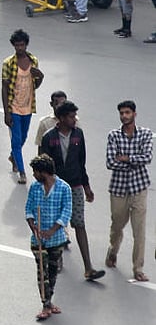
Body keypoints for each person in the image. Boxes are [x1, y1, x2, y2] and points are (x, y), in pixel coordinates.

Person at [39, 102, 105, 281]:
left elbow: (81, 162)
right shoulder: (49, 138)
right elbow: (41, 166)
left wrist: (87, 187)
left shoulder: (78, 134)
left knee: (79, 223)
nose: (74, 119)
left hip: (75, 185)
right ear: (60, 119)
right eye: (70, 116)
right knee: (57, 225)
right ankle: (56, 259)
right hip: (56, 187)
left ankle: (88, 267)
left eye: (74, 116)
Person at [106, 99, 153, 281]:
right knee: (117, 226)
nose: (124, 116)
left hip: (139, 188)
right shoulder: (114, 135)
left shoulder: (145, 134)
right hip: (118, 189)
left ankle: (138, 268)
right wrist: (134, 160)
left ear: (134, 114)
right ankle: (113, 250)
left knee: (139, 230)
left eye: (127, 112)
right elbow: (110, 162)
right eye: (122, 113)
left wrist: (126, 159)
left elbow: (147, 157)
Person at [25, 155, 72, 321]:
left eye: (35, 172)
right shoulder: (34, 188)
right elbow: (28, 210)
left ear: (43, 173)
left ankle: (49, 300)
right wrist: (34, 227)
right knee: (42, 271)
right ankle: (45, 304)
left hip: (56, 239)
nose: (33, 175)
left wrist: (52, 230)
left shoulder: (64, 188)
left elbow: (66, 213)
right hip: (38, 240)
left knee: (52, 272)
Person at [1, 28, 43, 184]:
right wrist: (6, 112)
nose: (20, 48)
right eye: (17, 45)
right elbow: (4, 88)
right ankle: (22, 172)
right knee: (16, 140)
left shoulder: (33, 61)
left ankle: (13, 156)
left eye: (22, 45)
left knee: (23, 137)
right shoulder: (8, 63)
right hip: (14, 107)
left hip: (28, 107)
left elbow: (35, 85)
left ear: (26, 45)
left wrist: (41, 77)